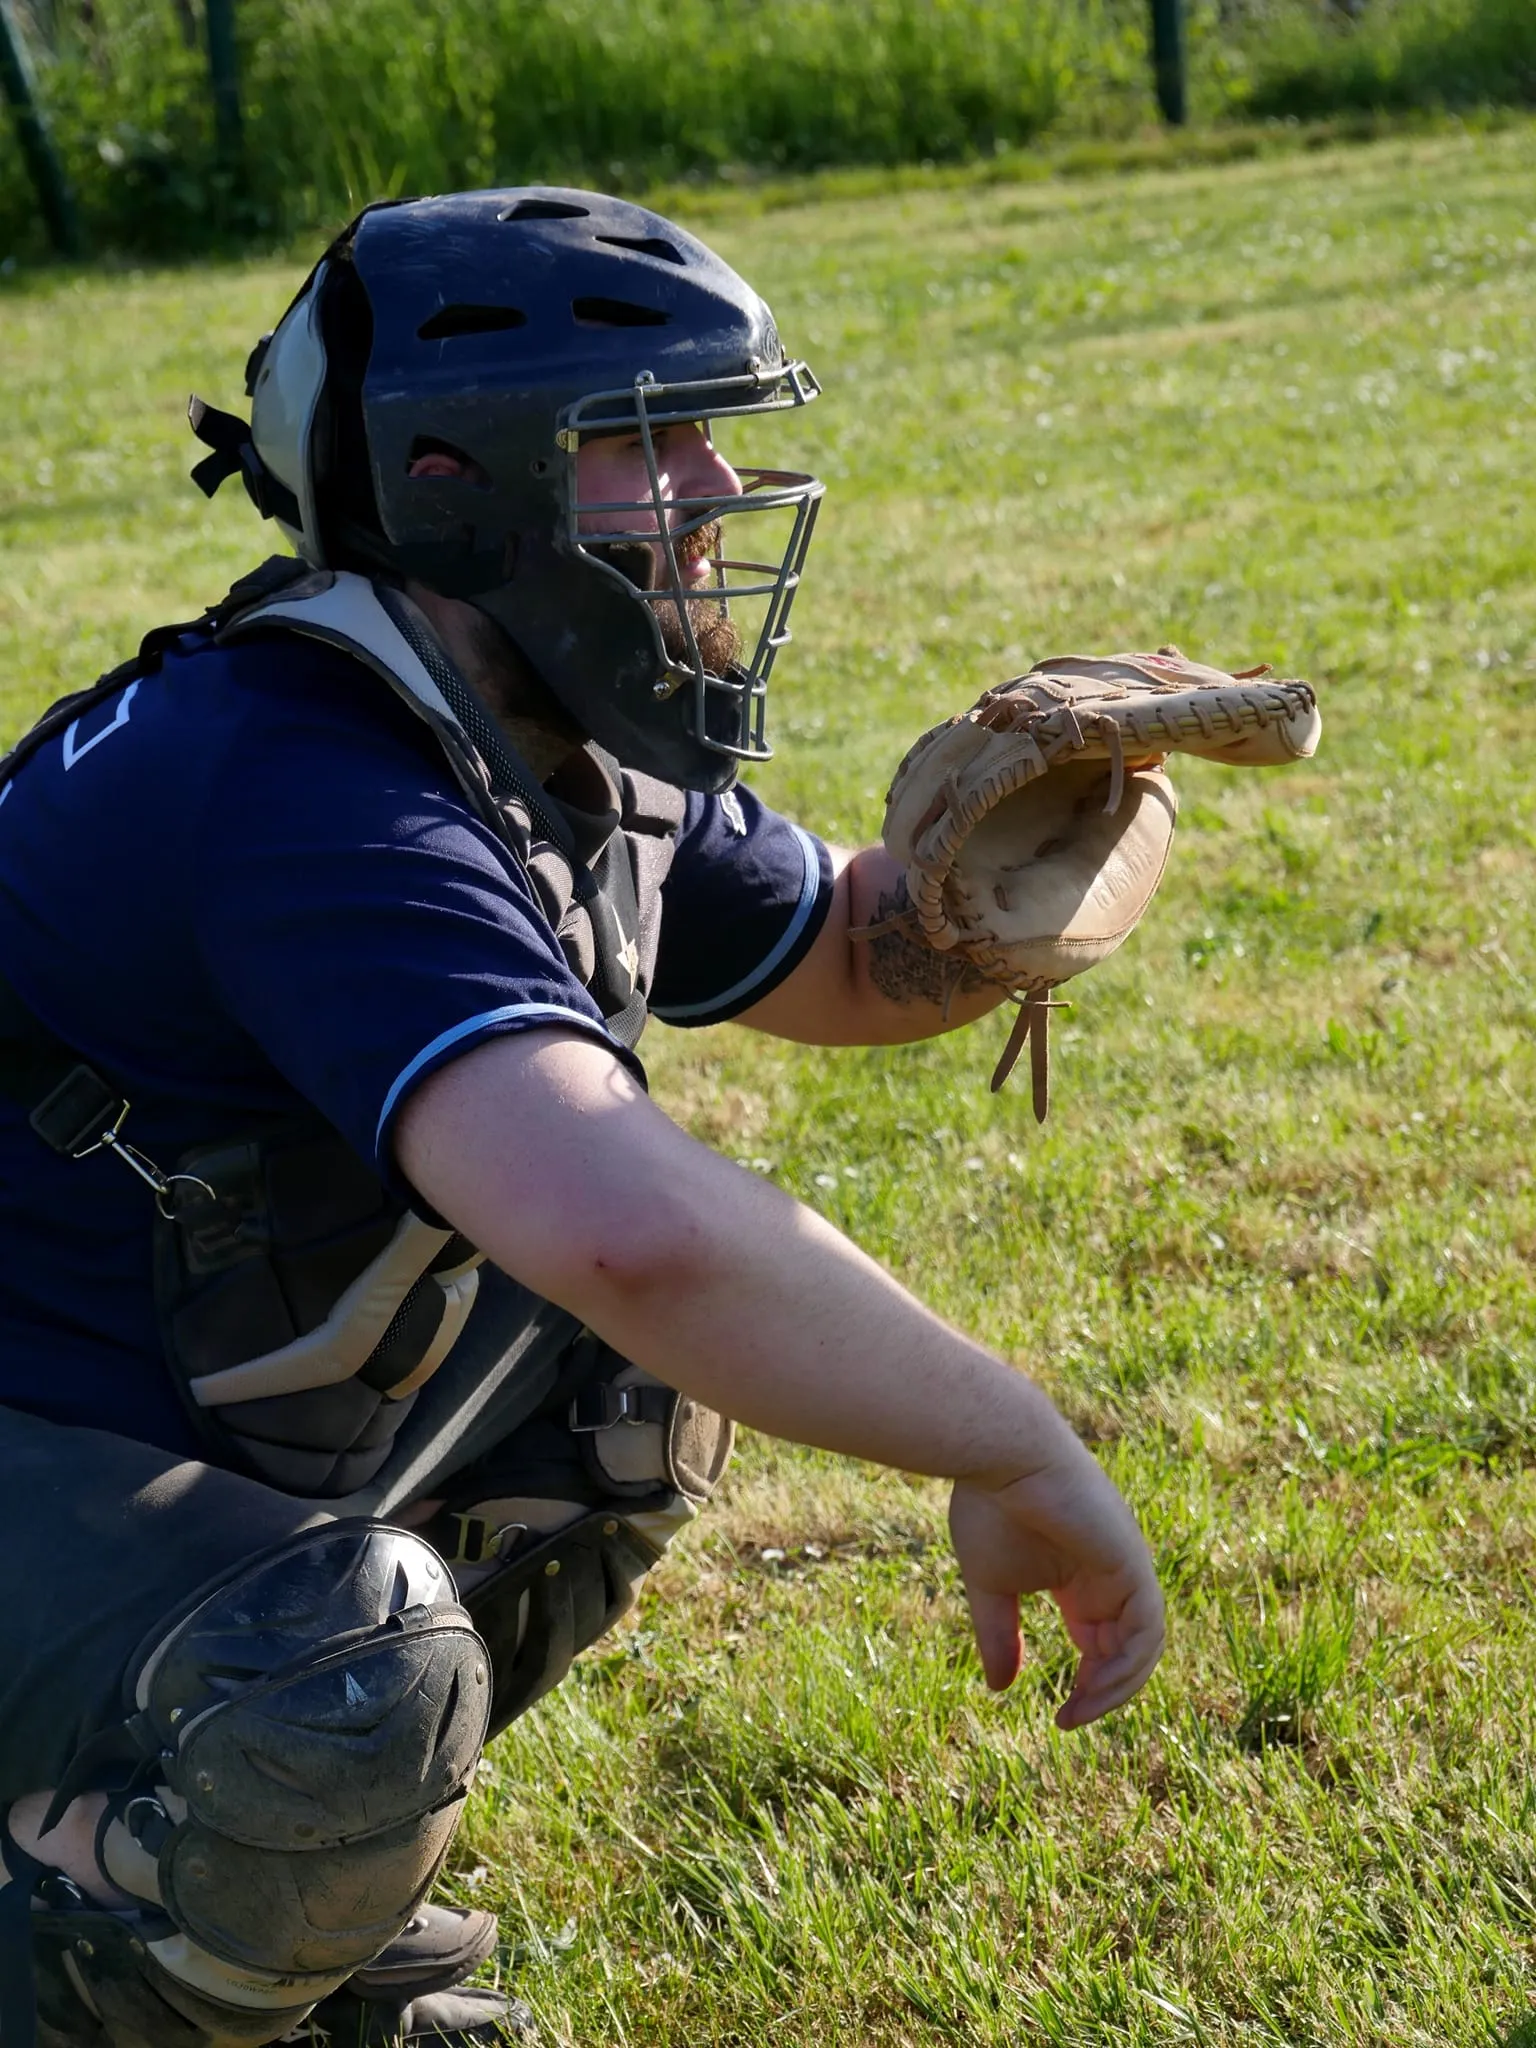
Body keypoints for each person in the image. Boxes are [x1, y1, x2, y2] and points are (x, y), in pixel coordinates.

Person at [0, 188, 1165, 2048]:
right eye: (651, 439)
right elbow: (637, 1234)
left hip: (80, 1422)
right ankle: (91, 1914)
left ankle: (242, 1916)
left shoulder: (515, 726)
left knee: (623, 1404)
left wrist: (1020, 873)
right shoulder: (303, 781)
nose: (716, 488)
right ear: (456, 481)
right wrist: (1014, 1444)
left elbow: (845, 953)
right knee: (337, 1669)